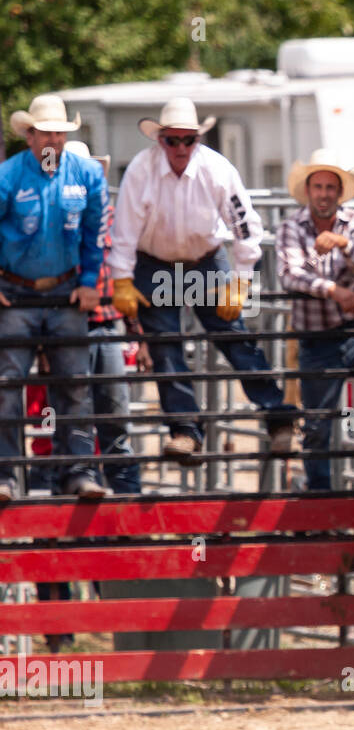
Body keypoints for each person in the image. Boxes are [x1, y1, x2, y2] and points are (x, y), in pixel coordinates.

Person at [106, 97, 298, 463]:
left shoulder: (216, 169)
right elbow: (125, 232)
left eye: (187, 140)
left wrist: (240, 281)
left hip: (204, 261)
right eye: (172, 140)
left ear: (198, 140)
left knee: (234, 337)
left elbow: (246, 227)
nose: (180, 148)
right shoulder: (141, 171)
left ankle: (278, 418)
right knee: (166, 348)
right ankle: (185, 430)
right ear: (160, 140)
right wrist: (122, 280)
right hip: (159, 264)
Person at [0, 94, 109, 501]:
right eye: (45, 132)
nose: (53, 140)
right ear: (29, 135)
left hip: (65, 292)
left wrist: (88, 280)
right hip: (16, 291)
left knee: (75, 385)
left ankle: (76, 472)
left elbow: (96, 230)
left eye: (59, 133)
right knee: (9, 385)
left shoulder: (86, 175)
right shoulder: (9, 177)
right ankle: (8, 474)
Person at [276, 149, 354, 490]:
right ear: (308, 191)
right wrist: (335, 290)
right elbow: (289, 276)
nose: (324, 194)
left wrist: (344, 246)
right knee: (317, 428)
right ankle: (321, 500)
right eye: (318, 186)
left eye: (329, 187)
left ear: (339, 192)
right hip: (318, 338)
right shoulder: (291, 227)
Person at [63, 139, 143, 494]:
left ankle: (126, 502)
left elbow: (129, 278)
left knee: (114, 415)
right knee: (73, 418)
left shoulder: (114, 220)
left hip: (107, 324)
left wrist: (138, 335)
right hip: (67, 329)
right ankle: (77, 497)